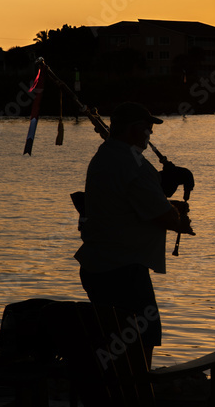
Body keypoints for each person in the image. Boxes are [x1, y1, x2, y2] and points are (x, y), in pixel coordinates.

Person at [74, 101, 192, 366]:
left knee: (112, 341)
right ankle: (136, 394)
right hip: (123, 270)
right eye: (148, 131)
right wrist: (180, 220)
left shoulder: (103, 156)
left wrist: (167, 202)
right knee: (141, 338)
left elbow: (130, 205)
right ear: (135, 130)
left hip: (97, 267)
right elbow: (161, 215)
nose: (150, 137)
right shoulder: (134, 163)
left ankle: (114, 394)